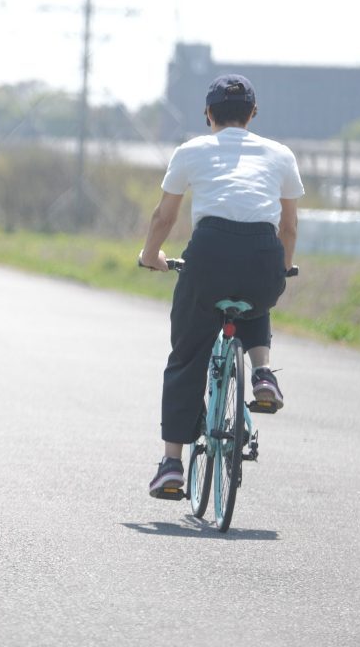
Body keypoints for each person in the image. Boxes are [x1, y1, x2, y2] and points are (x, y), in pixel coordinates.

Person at [139, 74, 304, 498]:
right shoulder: (280, 154)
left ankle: (172, 465)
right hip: (263, 256)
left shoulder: (192, 151)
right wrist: (281, 270)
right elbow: (288, 226)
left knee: (187, 356)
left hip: (209, 255)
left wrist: (150, 256)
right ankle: (262, 373)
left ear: (208, 113)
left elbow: (164, 217)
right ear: (253, 114)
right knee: (256, 293)